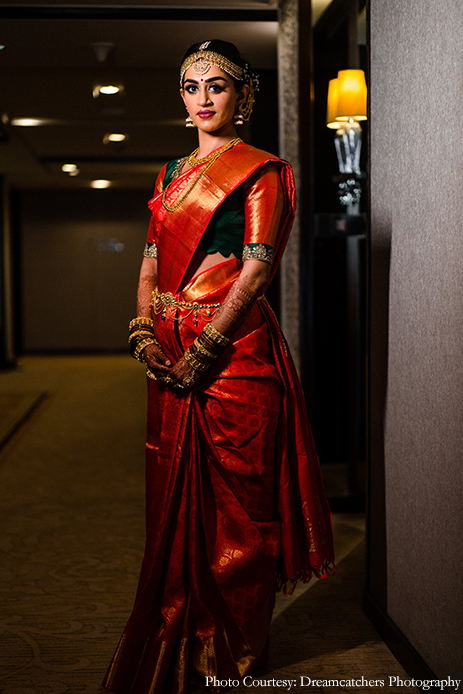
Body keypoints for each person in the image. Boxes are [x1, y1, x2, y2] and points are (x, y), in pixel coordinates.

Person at [102, 39, 335, 694]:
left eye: (217, 86)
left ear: (243, 95)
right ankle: (181, 620)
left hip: (235, 354)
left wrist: (210, 346)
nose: (202, 99)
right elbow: (149, 261)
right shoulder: (170, 172)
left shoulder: (260, 171)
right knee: (174, 496)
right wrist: (144, 332)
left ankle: (231, 650)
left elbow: (257, 268)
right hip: (169, 349)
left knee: (239, 505)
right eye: (190, 86)